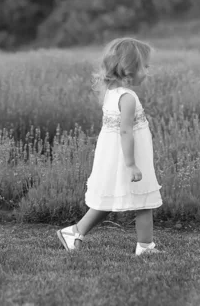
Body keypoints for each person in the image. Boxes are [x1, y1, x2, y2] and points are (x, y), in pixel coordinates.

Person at [56, 37, 164, 256]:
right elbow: (125, 131)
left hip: (115, 156)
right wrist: (132, 164)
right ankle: (145, 247)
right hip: (128, 157)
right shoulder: (128, 98)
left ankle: (74, 232)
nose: (148, 71)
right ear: (129, 70)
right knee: (143, 198)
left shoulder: (111, 94)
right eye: (145, 66)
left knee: (109, 199)